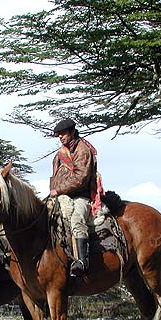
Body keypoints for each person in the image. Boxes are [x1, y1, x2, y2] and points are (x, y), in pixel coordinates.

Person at [49, 118, 101, 277]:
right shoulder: (60, 154)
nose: (60, 137)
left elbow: (81, 178)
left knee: (76, 219)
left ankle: (82, 261)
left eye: (63, 133)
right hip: (59, 195)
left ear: (72, 132)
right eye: (58, 134)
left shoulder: (82, 150)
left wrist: (58, 189)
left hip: (80, 196)